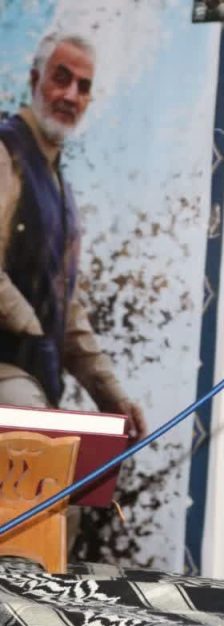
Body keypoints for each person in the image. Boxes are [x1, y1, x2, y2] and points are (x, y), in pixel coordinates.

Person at [0, 33, 147, 443]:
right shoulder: (5, 153)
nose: (70, 95)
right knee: (47, 462)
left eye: (83, 87)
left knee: (78, 472)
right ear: (35, 80)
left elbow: (68, 313)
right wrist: (33, 330)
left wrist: (112, 396)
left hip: (32, 377)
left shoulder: (62, 192)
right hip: (8, 373)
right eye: (61, 78)